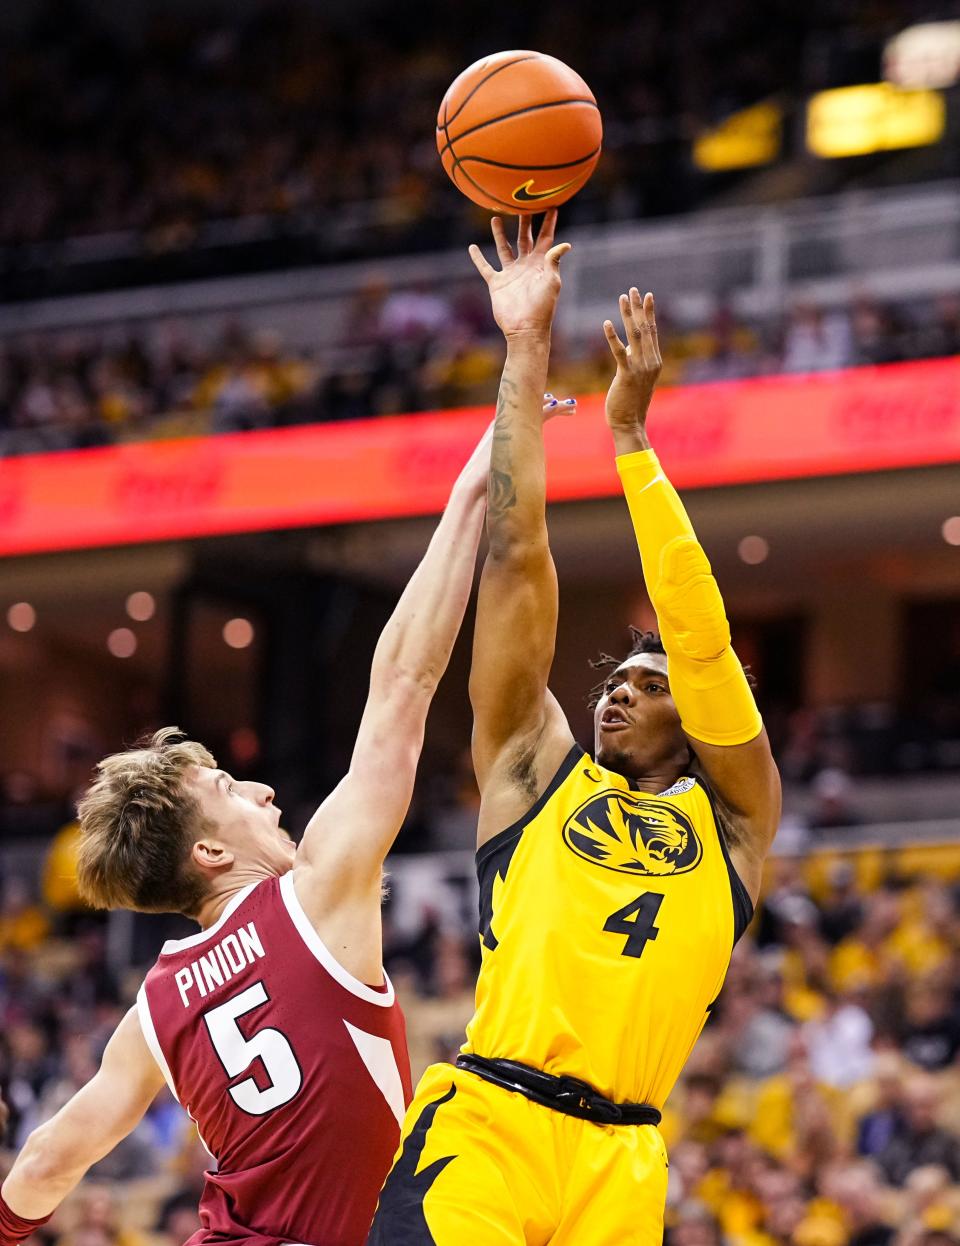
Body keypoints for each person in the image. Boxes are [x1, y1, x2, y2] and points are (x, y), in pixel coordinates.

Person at [0, 415, 543, 1246]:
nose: (262, 789)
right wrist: (476, 481)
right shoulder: (316, 896)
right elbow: (404, 678)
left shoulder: (154, 1007)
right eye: (229, 788)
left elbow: (44, 1164)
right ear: (208, 854)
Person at [369, 209, 781, 1244]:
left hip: (624, 1164)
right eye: (614, 678)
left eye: (651, 684)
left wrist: (634, 444)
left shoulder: (736, 827)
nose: (619, 691)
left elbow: (704, 640)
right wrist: (523, 351)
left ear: (697, 722)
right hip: (489, 1131)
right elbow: (515, 557)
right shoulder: (534, 769)